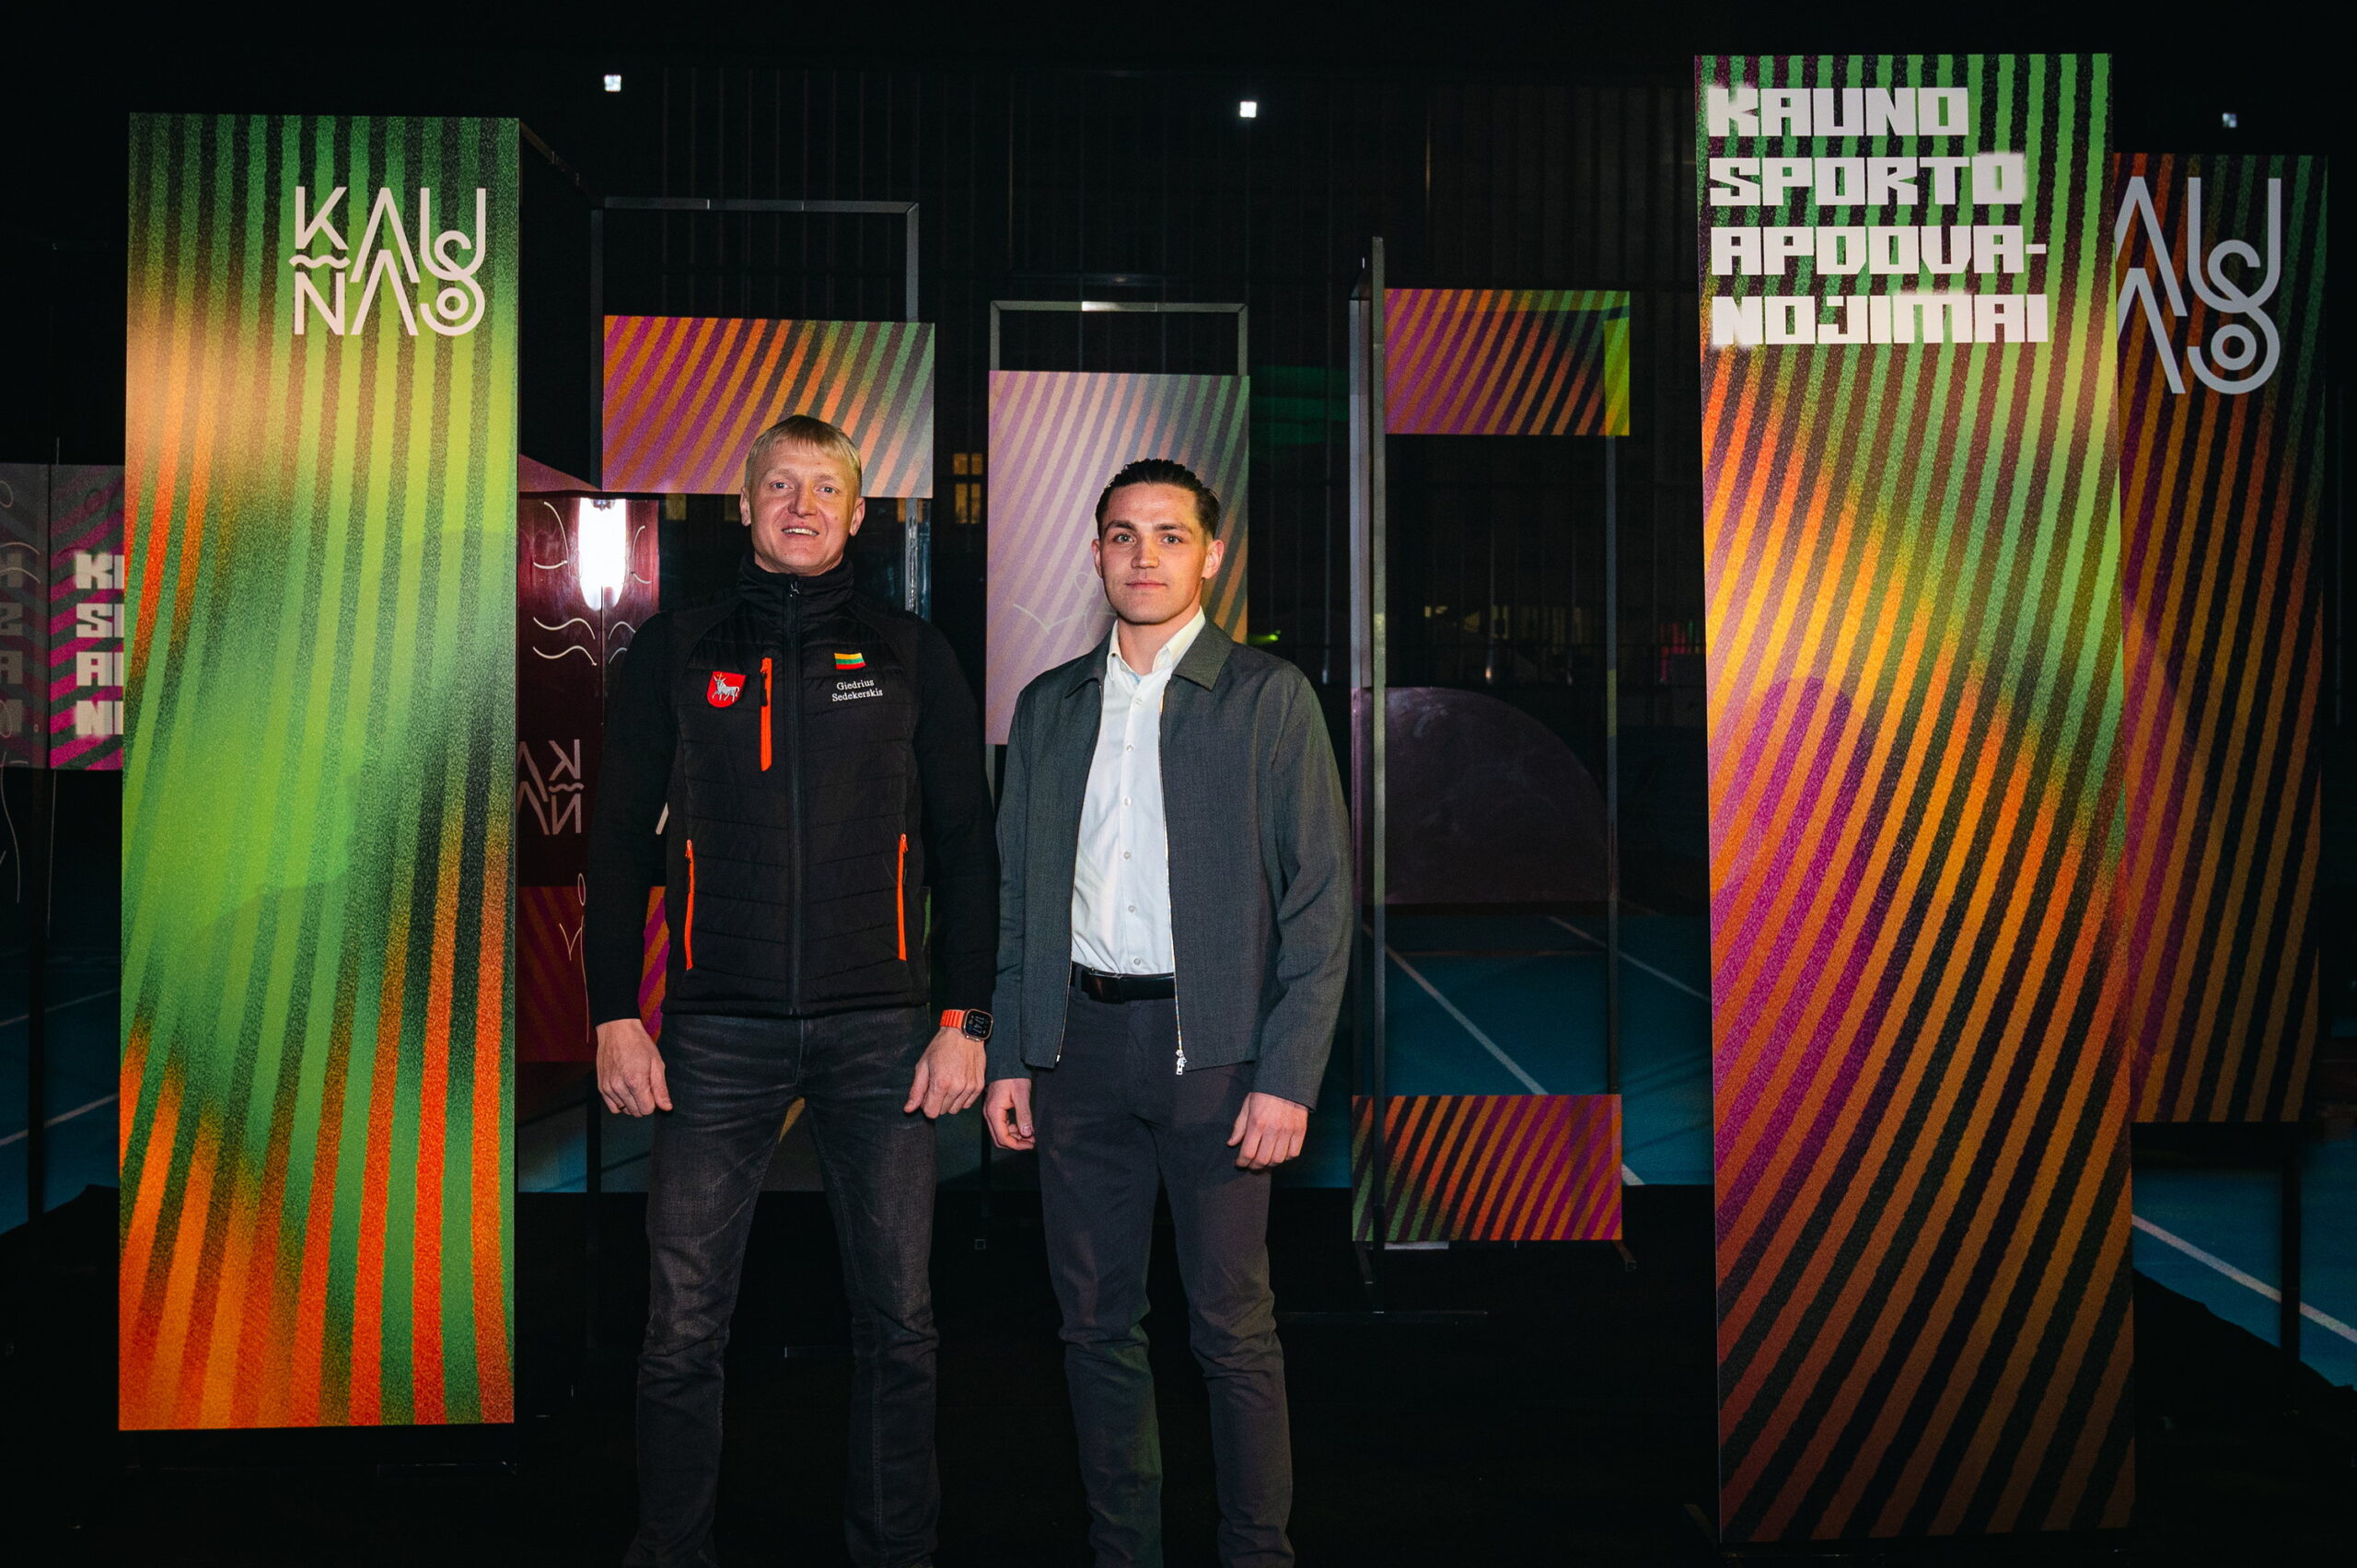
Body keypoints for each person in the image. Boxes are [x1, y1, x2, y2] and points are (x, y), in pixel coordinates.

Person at [586, 414, 996, 1568]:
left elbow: (967, 845)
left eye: (824, 488)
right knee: (681, 1324)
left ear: (859, 513)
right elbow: (614, 840)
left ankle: (896, 1549)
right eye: (780, 485)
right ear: (746, 504)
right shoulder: (676, 649)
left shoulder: (912, 652)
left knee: (900, 1321)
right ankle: (671, 1546)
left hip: (883, 1031)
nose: (801, 505)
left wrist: (965, 1017)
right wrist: (614, 1010)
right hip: (715, 1031)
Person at [982, 459, 1353, 1568]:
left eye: (1170, 535)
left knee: (1231, 1328)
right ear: (1096, 551)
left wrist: (1286, 1075)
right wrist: (1011, 1053)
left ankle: (1256, 1551)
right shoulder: (1048, 705)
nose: (1144, 556)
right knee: (1095, 1324)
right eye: (1123, 535)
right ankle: (1123, 1550)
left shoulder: (1267, 697)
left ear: (1211, 554)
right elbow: (1017, 898)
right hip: (1077, 1052)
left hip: (1219, 1062)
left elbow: (1321, 901)